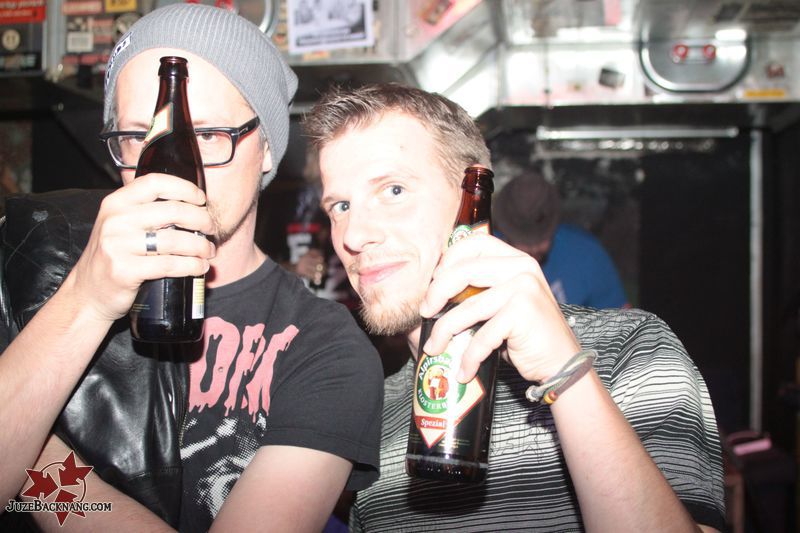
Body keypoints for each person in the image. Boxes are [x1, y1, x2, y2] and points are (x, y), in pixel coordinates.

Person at [0, 4, 382, 531]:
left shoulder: (325, 346)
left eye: (206, 135)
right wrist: (85, 302)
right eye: (140, 137)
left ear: (267, 149)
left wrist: (43, 464)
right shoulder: (41, 277)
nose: (175, 170)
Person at [303, 82, 726, 531]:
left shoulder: (629, 349)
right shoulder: (367, 415)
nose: (353, 235)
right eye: (341, 205)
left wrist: (566, 375)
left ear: (471, 199)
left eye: (393, 190)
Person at [494, 171, 629, 308]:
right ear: (505, 232)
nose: (533, 248)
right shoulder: (486, 254)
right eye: (523, 240)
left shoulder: (586, 253)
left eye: (542, 238)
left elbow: (622, 316)